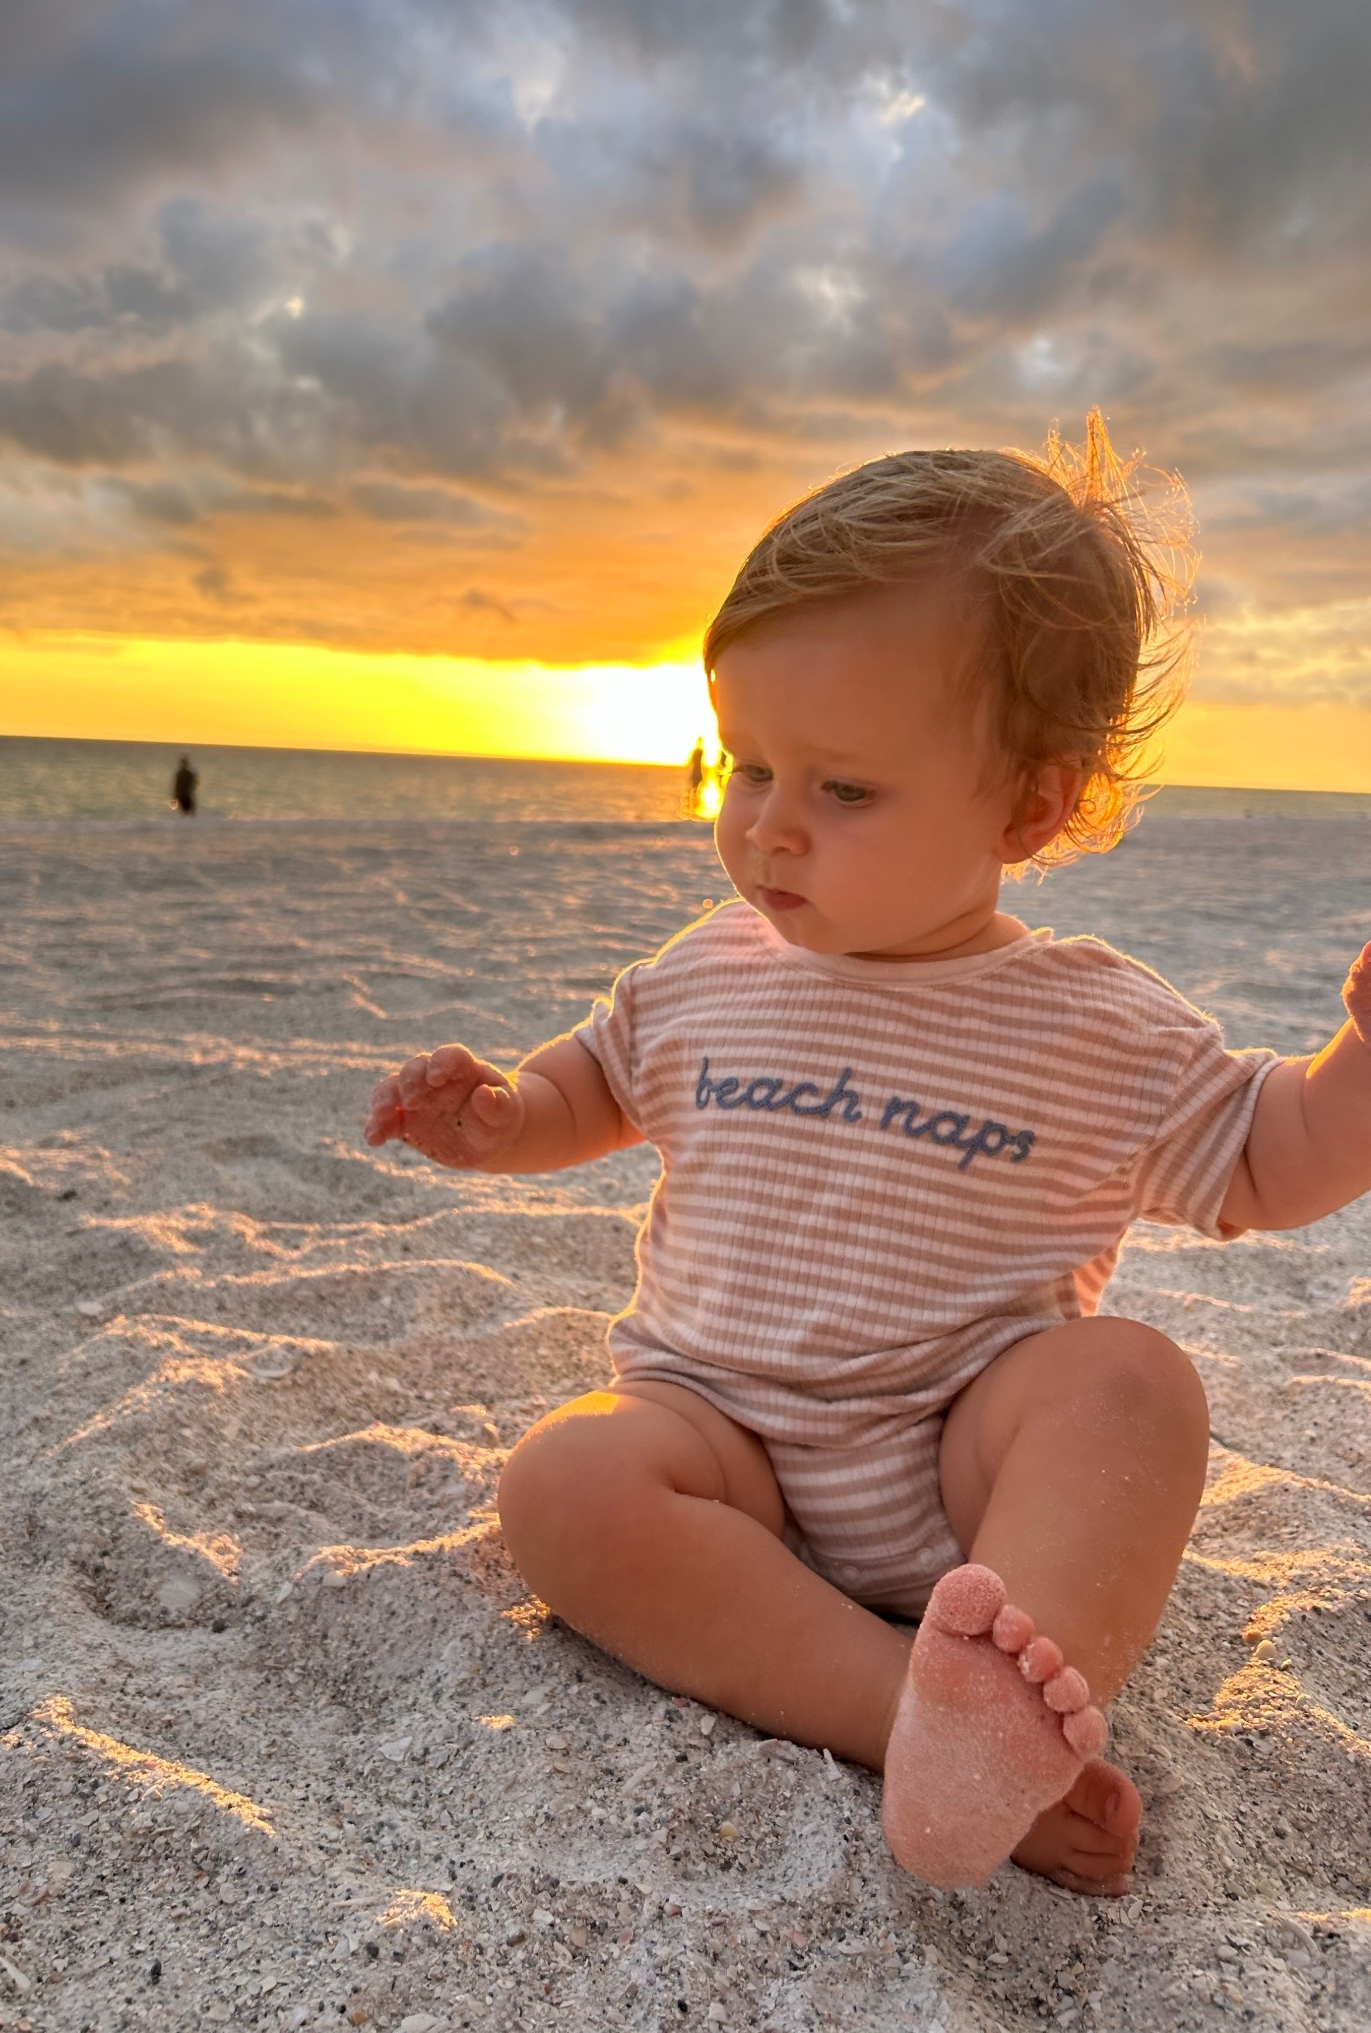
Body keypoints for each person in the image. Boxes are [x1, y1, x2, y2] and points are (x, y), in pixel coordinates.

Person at [364, 414, 1371, 1897]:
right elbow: (601, 1080)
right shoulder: (713, 969)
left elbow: (1271, 1157)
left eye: (842, 791)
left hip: (963, 1464)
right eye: (747, 765)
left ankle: (1006, 1683)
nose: (771, 830)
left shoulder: (1091, 1018)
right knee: (562, 1480)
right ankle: (918, 1723)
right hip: (723, 1452)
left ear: (1028, 803)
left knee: (1130, 1384)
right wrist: (504, 1115)